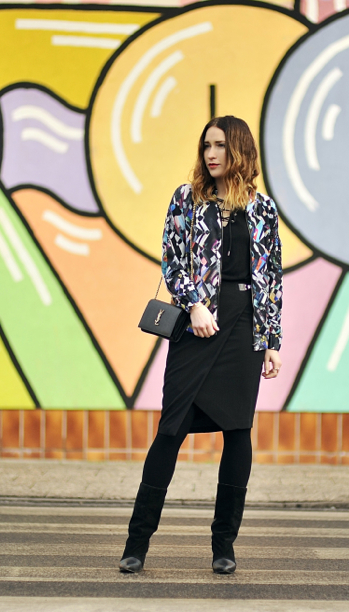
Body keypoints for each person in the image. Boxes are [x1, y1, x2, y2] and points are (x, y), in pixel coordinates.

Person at [119, 115, 283, 575]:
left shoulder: (263, 209)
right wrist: (193, 305)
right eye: (207, 145)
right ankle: (136, 543)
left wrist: (271, 339)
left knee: (238, 433)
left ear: (240, 151)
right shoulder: (185, 199)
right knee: (170, 430)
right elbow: (172, 260)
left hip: (244, 327)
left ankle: (223, 546)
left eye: (221, 146)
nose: (211, 154)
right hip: (198, 327)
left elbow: (271, 276)